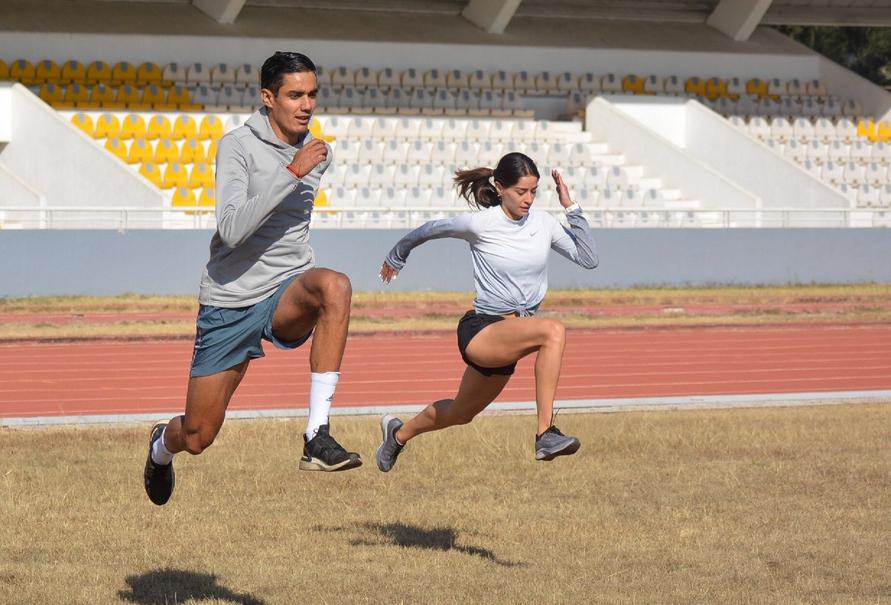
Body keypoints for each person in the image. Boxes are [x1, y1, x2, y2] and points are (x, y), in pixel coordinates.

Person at [144, 51, 362, 507]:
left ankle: (317, 435)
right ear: (268, 98)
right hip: (230, 297)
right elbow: (232, 229)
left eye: (313, 94)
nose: (307, 105)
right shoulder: (237, 146)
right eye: (295, 95)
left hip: (286, 288)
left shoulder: (318, 153)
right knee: (200, 435)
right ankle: (162, 446)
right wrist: (291, 172)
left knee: (334, 286)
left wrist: (301, 165)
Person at [375, 152, 598, 472]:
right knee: (553, 331)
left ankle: (397, 435)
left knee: (461, 413)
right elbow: (428, 230)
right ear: (500, 187)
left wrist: (571, 207)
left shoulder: (544, 223)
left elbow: (588, 258)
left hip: (511, 337)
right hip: (482, 330)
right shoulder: (481, 223)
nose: (528, 199)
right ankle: (545, 433)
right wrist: (397, 255)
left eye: (534, 191)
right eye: (521, 191)